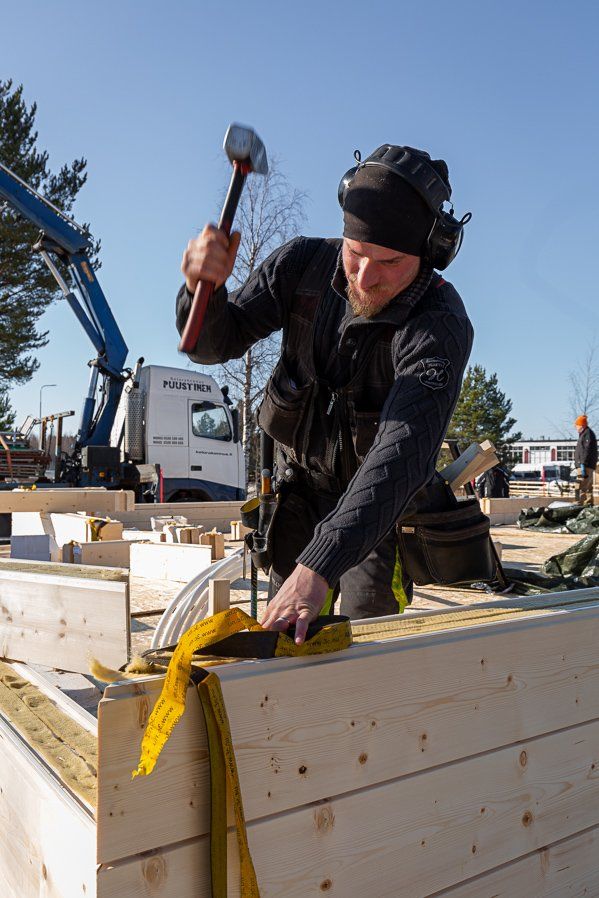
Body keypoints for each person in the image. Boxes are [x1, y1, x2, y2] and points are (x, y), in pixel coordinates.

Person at [176, 144, 473, 642]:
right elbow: (214, 344)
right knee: (282, 638)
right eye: (355, 253)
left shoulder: (439, 325)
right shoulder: (301, 268)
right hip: (300, 498)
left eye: (390, 261)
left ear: (430, 253)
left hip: (379, 512)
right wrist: (200, 289)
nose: (365, 276)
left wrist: (320, 566)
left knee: (369, 639)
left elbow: (401, 456)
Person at [574, 414, 597, 506]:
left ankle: (578, 502)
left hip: (585, 465)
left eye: (577, 425)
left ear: (582, 425)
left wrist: (582, 463)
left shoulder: (587, 434)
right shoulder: (585, 434)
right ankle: (588, 503)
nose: (576, 427)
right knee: (587, 486)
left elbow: (586, 450)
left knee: (579, 484)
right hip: (586, 464)